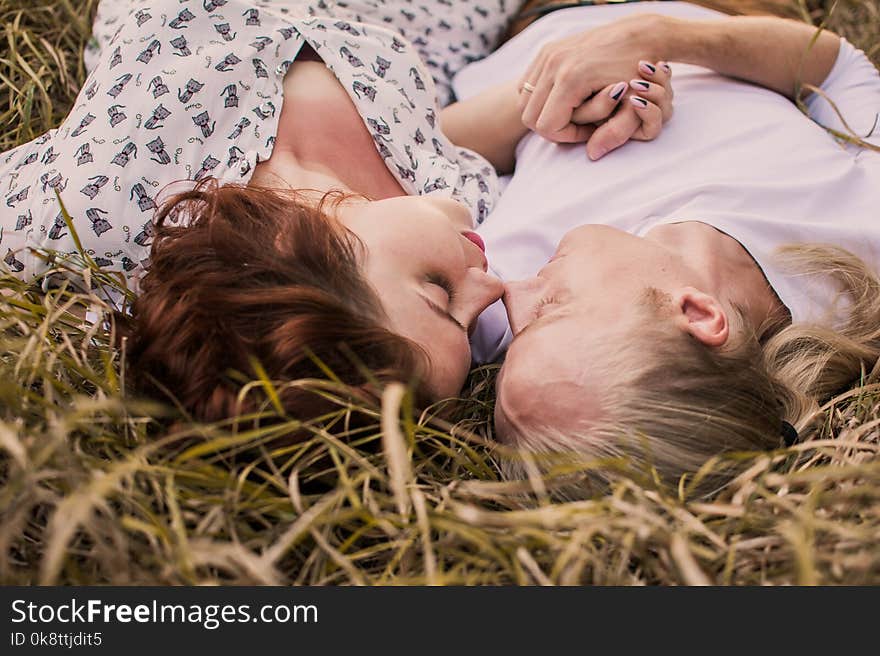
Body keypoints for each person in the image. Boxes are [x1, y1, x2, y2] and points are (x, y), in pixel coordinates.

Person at [0, 0, 667, 420]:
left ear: (300, 249)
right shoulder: (466, 210)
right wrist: (561, 100)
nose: (492, 288)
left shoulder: (100, 200)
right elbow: (433, 130)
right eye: (468, 327)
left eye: (439, 292)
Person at [452, 2, 880, 492]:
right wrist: (655, 36)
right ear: (697, 313)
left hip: (528, 23)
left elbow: (429, 139)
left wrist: (553, 97)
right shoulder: (856, 247)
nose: (512, 293)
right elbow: (837, 70)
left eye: (513, 343)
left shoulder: (484, 309)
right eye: (551, 309)